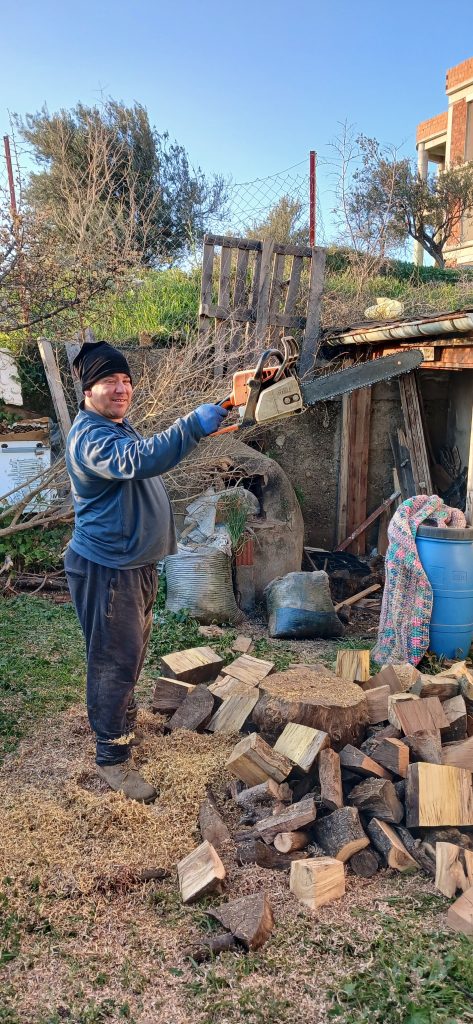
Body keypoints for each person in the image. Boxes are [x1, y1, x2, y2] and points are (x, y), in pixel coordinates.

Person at [64, 340, 228, 803]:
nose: (121, 389)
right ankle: (112, 758)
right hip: (108, 568)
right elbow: (140, 460)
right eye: (109, 381)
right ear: (87, 390)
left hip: (133, 565)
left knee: (128, 654)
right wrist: (191, 426)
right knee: (113, 661)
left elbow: (149, 454)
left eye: (126, 381)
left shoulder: (116, 425)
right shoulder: (92, 436)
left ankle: (120, 722)